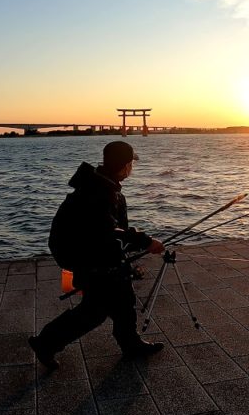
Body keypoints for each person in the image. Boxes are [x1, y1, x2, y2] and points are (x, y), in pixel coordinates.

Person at [28, 140, 165, 370]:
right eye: (131, 163)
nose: (132, 168)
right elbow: (107, 232)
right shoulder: (100, 192)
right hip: (90, 260)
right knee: (94, 311)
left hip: (96, 256)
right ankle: (45, 343)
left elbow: (109, 232)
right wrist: (146, 241)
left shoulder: (101, 185)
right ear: (124, 166)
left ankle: (130, 343)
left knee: (122, 299)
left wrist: (132, 248)